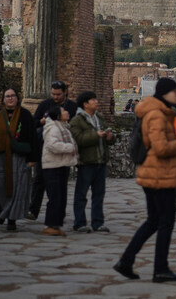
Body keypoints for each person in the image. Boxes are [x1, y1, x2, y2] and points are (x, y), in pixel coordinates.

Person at [115, 78, 176, 283]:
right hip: (159, 174)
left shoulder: (155, 112)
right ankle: (160, 268)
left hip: (153, 172)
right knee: (165, 221)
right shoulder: (157, 115)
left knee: (153, 221)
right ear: (165, 93)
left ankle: (126, 261)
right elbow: (160, 148)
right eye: (174, 92)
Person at [28, 81, 78, 220]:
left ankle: (58, 214)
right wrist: (41, 122)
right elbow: (34, 122)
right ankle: (33, 210)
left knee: (60, 185)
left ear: (65, 92)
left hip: (63, 152)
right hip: (45, 149)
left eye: (58, 94)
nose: (55, 97)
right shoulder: (45, 105)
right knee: (39, 180)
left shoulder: (71, 107)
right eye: (53, 94)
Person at [0, 89, 38, 231]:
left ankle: (11, 218)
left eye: (13, 96)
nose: (10, 98)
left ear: (17, 98)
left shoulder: (25, 115)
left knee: (17, 188)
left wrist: (32, 158)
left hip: (18, 156)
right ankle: (1, 212)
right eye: (7, 96)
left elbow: (32, 137)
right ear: (3, 99)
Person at [70, 91, 113, 233]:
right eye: (93, 100)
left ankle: (98, 222)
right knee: (81, 194)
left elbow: (109, 139)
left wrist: (109, 137)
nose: (96, 102)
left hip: (100, 160)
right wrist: (96, 135)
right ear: (85, 104)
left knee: (99, 194)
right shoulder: (77, 120)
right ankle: (80, 223)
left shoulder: (99, 118)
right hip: (86, 162)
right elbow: (79, 139)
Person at [41, 106, 78, 236]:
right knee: (55, 197)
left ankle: (56, 224)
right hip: (52, 166)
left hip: (61, 165)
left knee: (61, 197)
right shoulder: (53, 128)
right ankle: (50, 224)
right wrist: (69, 147)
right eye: (63, 111)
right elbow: (52, 145)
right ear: (57, 115)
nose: (67, 112)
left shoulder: (63, 127)